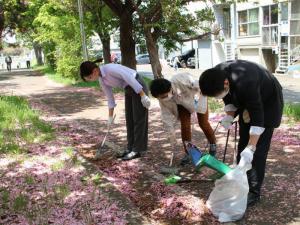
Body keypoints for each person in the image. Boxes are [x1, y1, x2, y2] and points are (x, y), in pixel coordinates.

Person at [199, 60, 283, 207]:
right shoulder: (216, 75)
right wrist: (229, 116)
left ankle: (254, 192)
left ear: (226, 83)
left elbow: (258, 116)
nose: (219, 97)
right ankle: (241, 182)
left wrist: (251, 148)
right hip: (248, 100)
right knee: (242, 146)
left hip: (267, 101)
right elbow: (228, 98)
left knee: (256, 152)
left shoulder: (247, 81)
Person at [80, 61, 150, 160]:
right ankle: (130, 148)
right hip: (128, 88)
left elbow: (129, 78)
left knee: (138, 119)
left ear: (95, 71)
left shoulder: (110, 69)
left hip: (137, 84)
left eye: (90, 77)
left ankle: (137, 150)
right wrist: (110, 117)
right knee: (129, 119)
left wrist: (143, 95)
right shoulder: (102, 80)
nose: (91, 80)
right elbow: (110, 99)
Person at [150, 73, 217, 165]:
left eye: (164, 96)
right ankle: (189, 153)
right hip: (182, 105)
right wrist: (171, 133)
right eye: (160, 98)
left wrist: (198, 91)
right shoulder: (161, 98)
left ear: (169, 89)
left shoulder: (179, 79)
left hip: (198, 98)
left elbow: (198, 83)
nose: (163, 99)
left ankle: (213, 144)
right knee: (185, 127)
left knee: (203, 123)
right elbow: (166, 114)